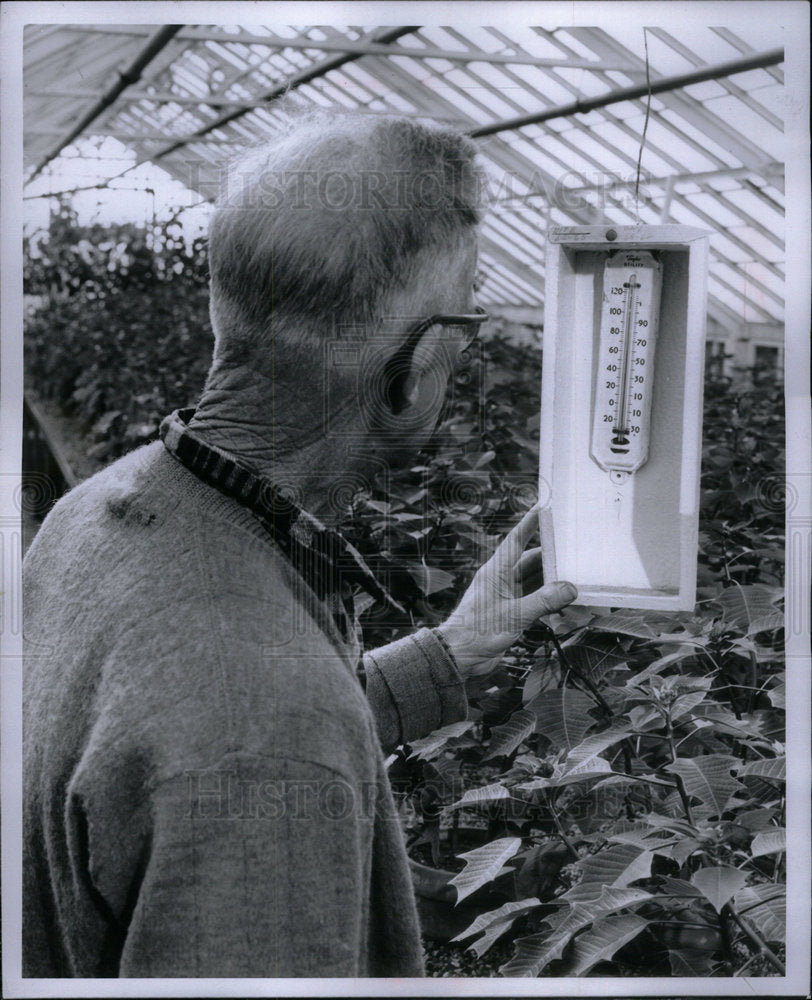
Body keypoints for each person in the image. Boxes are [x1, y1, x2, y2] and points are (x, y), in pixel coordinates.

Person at [22, 110, 576, 978]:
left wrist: (448, 652)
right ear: (417, 359)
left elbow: (178, 724)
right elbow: (251, 730)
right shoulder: (268, 735)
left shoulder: (94, 514)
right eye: (463, 334)